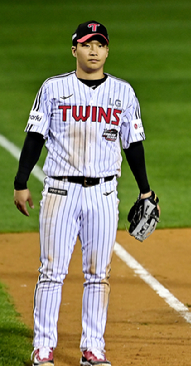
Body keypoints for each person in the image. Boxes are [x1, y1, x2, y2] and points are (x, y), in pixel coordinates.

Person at [13, 21, 158, 365]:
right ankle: (43, 347)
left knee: (99, 274)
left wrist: (145, 190)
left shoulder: (123, 93)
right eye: (87, 44)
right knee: (52, 271)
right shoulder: (53, 88)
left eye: (100, 45)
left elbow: (133, 144)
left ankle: (93, 348)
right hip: (60, 192)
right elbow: (34, 137)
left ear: (107, 51)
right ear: (74, 49)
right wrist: (21, 182)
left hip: (104, 194)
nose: (93, 50)